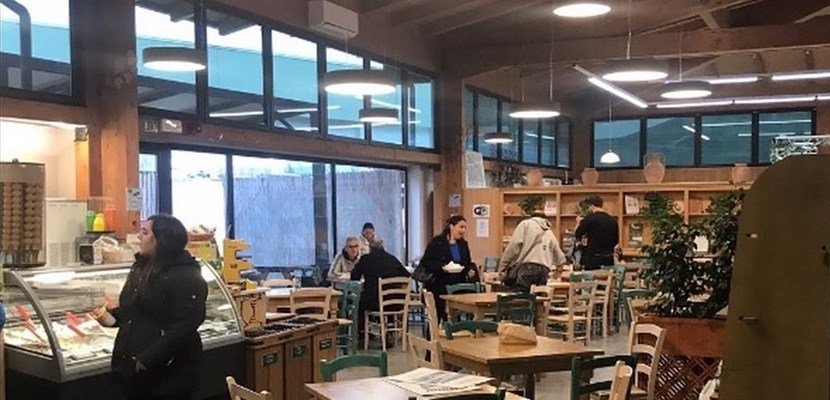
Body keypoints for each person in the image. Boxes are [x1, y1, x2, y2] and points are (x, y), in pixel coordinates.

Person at [95, 214, 208, 400]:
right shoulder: (142, 267)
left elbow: (185, 326)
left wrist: (147, 359)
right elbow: (135, 310)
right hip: (133, 371)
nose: (138, 236)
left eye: (145, 232)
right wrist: (111, 316)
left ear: (161, 240)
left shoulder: (185, 274)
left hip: (168, 374)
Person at [419, 215, 479, 322]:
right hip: (439, 284)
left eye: (465, 228)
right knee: (437, 315)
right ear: (451, 227)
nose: (463, 230)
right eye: (461, 227)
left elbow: (467, 263)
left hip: (458, 285)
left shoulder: (463, 244)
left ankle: (455, 333)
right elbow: (426, 262)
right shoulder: (437, 242)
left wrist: (469, 270)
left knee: (457, 315)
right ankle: (433, 336)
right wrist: (442, 267)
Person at [350, 238, 410, 343]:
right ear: (383, 246)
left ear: (370, 248)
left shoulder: (366, 259)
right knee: (388, 299)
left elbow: (354, 276)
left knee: (359, 303)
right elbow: (407, 276)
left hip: (374, 303)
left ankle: (363, 332)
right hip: (396, 304)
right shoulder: (392, 259)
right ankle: (390, 332)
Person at [500, 210, 567, 293]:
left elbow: (514, 246)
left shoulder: (525, 224)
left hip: (527, 268)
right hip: (544, 271)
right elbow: (560, 257)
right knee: (538, 299)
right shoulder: (549, 232)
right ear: (545, 219)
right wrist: (558, 271)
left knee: (522, 299)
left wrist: (503, 265)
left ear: (531, 217)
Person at [575, 196, 620, 270]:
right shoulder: (613, 220)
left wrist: (578, 223)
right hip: (608, 259)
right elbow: (616, 241)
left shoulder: (589, 219)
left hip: (592, 259)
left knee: (591, 280)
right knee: (607, 279)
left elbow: (578, 234)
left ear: (592, 206)